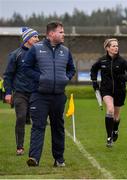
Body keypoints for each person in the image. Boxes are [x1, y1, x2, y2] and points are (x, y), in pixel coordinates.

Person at [23, 21, 76, 167]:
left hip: (59, 96)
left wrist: (65, 78)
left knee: (58, 127)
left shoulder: (65, 51)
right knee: (38, 126)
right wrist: (40, 78)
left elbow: (72, 69)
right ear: (51, 33)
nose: (63, 34)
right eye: (61, 32)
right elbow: (26, 68)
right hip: (39, 95)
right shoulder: (36, 49)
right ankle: (34, 158)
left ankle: (59, 159)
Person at [90, 38, 127, 148]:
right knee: (109, 109)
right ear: (107, 48)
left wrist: (123, 78)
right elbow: (93, 69)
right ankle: (109, 137)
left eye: (117, 46)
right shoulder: (102, 61)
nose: (116, 48)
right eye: (113, 46)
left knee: (116, 116)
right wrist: (94, 82)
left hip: (120, 91)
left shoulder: (122, 61)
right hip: (106, 90)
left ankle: (115, 129)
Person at [3, 27, 39, 155]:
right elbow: (8, 75)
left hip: (36, 94)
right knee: (21, 117)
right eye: (35, 37)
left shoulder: (39, 54)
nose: (38, 39)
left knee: (38, 121)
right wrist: (7, 92)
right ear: (28, 39)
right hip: (20, 93)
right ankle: (20, 147)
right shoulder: (15, 54)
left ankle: (35, 148)